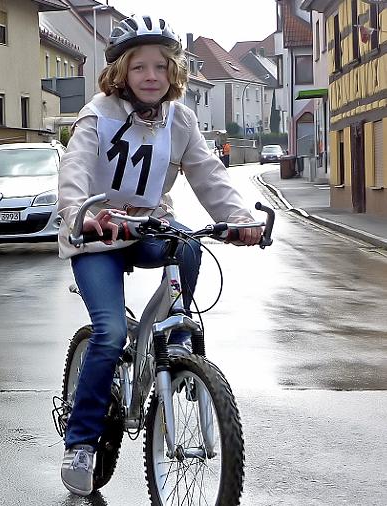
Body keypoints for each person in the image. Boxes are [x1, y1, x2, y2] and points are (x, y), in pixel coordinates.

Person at [56, 15, 262, 497]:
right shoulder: (97, 114)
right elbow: (74, 174)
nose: (152, 76)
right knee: (108, 333)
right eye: (140, 67)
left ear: (174, 73)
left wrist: (241, 221)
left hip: (148, 225)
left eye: (161, 67)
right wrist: (80, 216)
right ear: (121, 73)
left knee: (189, 242)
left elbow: (209, 175)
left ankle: (179, 338)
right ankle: (81, 441)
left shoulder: (181, 119)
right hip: (98, 234)